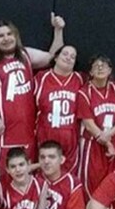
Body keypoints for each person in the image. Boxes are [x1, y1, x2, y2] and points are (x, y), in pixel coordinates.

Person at [0, 13, 65, 176]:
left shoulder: (25, 54)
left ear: (16, 35)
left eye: (9, 34)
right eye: (1, 36)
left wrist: (58, 31)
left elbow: (53, 57)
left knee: (27, 177)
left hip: (28, 130)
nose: (6, 38)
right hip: (4, 132)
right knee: (3, 176)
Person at [76, 55, 115, 196]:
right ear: (90, 72)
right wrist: (107, 143)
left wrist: (110, 136)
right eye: (96, 66)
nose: (100, 68)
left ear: (110, 70)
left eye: (104, 65)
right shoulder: (84, 93)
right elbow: (88, 124)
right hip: (93, 143)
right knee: (92, 182)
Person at [33, 45, 84, 175]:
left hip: (70, 137)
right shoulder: (41, 78)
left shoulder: (81, 79)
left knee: (68, 177)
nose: (68, 58)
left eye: (73, 57)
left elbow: (102, 85)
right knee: (44, 173)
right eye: (65, 54)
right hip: (46, 133)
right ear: (55, 57)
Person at [37, 141, 85, 209]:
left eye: (52, 157)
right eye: (42, 157)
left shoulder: (72, 182)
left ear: (62, 159)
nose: (46, 161)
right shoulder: (34, 181)